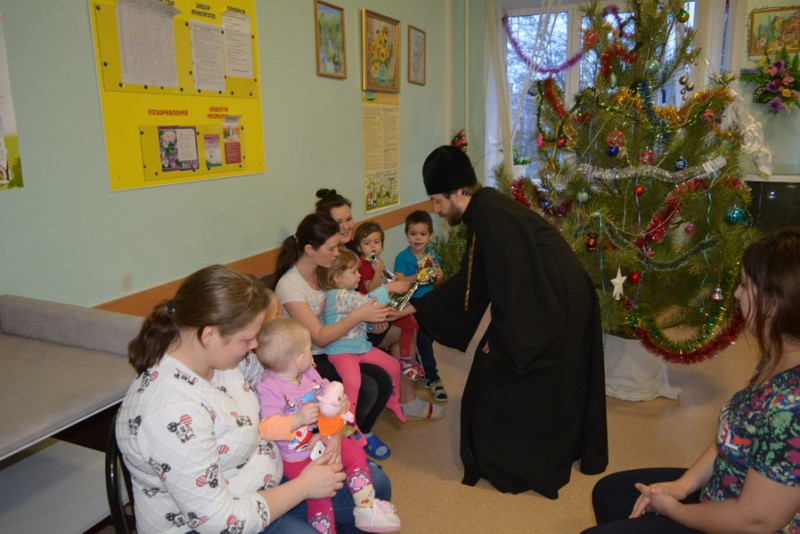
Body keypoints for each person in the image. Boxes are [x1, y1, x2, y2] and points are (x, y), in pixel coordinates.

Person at [116, 264, 389, 533]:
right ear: (210, 335)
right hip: (214, 522)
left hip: (264, 476)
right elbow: (221, 522)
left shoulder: (228, 361)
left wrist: (327, 428)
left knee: (377, 484)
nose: (255, 346)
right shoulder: (168, 411)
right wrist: (305, 486)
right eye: (247, 339)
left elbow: (291, 389)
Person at [402, 145, 608, 499]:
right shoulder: (484, 210)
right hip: (555, 292)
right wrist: (417, 308)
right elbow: (475, 277)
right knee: (525, 374)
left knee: (512, 375)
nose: (436, 210)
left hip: (554, 299)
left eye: (437, 201)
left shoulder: (491, 217)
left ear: (457, 192)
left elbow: (517, 283)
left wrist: (502, 338)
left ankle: (520, 465)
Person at [583, 228, 800, 534]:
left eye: (745, 285)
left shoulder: (792, 406)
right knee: (610, 493)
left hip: (744, 522)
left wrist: (675, 510)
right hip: (725, 492)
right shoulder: (777, 358)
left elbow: (756, 520)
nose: (737, 294)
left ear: (773, 304)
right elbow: (732, 437)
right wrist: (682, 486)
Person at [254, 318, 401, 533]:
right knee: (320, 497)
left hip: (324, 439)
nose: (312, 354)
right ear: (299, 358)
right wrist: (296, 420)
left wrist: (340, 402)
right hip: (296, 457)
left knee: (356, 455)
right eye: (309, 350)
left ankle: (366, 507)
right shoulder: (269, 387)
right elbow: (266, 428)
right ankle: (326, 529)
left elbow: (326, 391)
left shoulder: (307, 373)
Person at [319, 247, 408, 423]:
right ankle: (349, 422)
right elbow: (367, 302)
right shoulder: (336, 296)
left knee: (393, 365)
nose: (359, 276)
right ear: (337, 277)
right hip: (342, 353)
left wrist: (370, 327)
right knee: (353, 382)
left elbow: (358, 321)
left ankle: (393, 401)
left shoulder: (350, 294)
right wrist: (388, 287)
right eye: (353, 272)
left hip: (361, 348)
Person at [352, 221, 424, 382]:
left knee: (412, 322)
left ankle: (408, 361)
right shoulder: (364, 264)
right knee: (408, 323)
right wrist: (378, 270)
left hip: (381, 304)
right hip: (371, 310)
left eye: (377, 242)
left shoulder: (376, 262)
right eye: (367, 243)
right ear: (358, 247)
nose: (373, 246)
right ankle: (406, 361)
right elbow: (371, 289)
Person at [393, 209, 448, 401]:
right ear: (407, 234)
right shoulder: (402, 257)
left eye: (423, 234)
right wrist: (418, 276)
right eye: (413, 233)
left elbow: (439, 282)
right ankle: (433, 378)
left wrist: (439, 276)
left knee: (427, 340)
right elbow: (399, 282)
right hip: (411, 305)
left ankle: (422, 371)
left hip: (429, 304)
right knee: (422, 342)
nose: (418, 238)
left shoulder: (432, 255)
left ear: (430, 235)